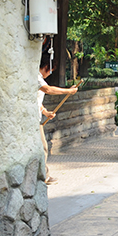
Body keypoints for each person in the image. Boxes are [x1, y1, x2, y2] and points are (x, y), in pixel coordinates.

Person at [38, 51, 78, 185]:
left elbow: (36, 101)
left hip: (36, 118)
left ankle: (42, 175)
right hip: (31, 122)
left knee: (41, 147)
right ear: (45, 67)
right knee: (43, 147)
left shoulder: (39, 79)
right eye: (50, 70)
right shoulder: (36, 78)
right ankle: (44, 176)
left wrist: (45, 112)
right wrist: (68, 91)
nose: (50, 73)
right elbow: (48, 90)